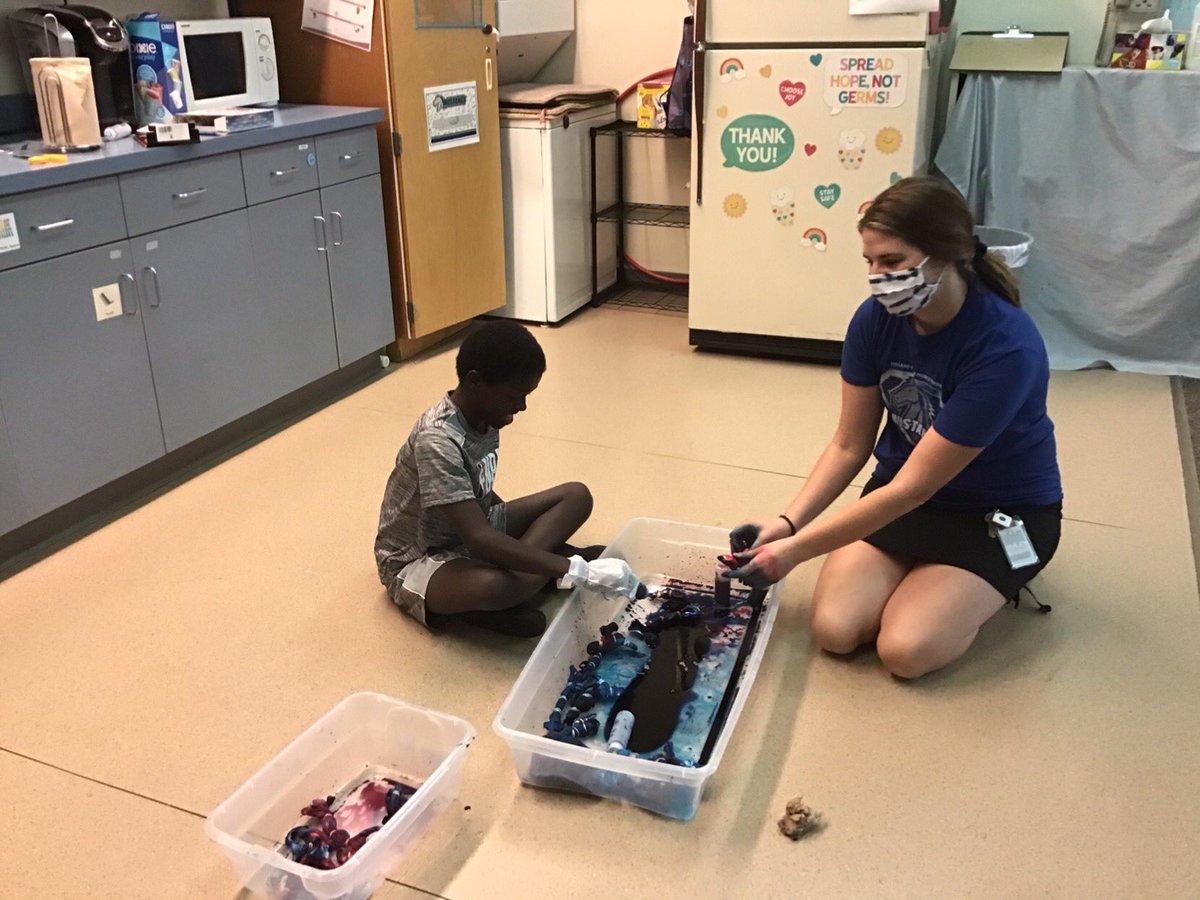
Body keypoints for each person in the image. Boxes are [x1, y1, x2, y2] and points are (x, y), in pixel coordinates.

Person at [725, 176, 1063, 679]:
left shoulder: (1005, 346)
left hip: (998, 512)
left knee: (905, 651)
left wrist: (791, 554)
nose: (878, 277)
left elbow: (912, 489)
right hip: (902, 496)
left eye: (893, 262)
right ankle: (929, 581)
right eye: (870, 262)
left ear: (947, 256)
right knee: (835, 632)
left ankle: (987, 581)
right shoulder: (874, 320)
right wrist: (787, 524)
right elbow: (848, 445)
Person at [375, 320, 642, 638]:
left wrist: (516, 533)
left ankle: (531, 574)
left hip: (470, 530)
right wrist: (577, 569)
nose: (523, 405)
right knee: (498, 587)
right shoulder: (438, 439)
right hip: (420, 558)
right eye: (515, 395)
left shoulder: (486, 414)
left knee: (576, 496)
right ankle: (516, 586)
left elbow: (478, 494)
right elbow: (479, 538)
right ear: (476, 383)